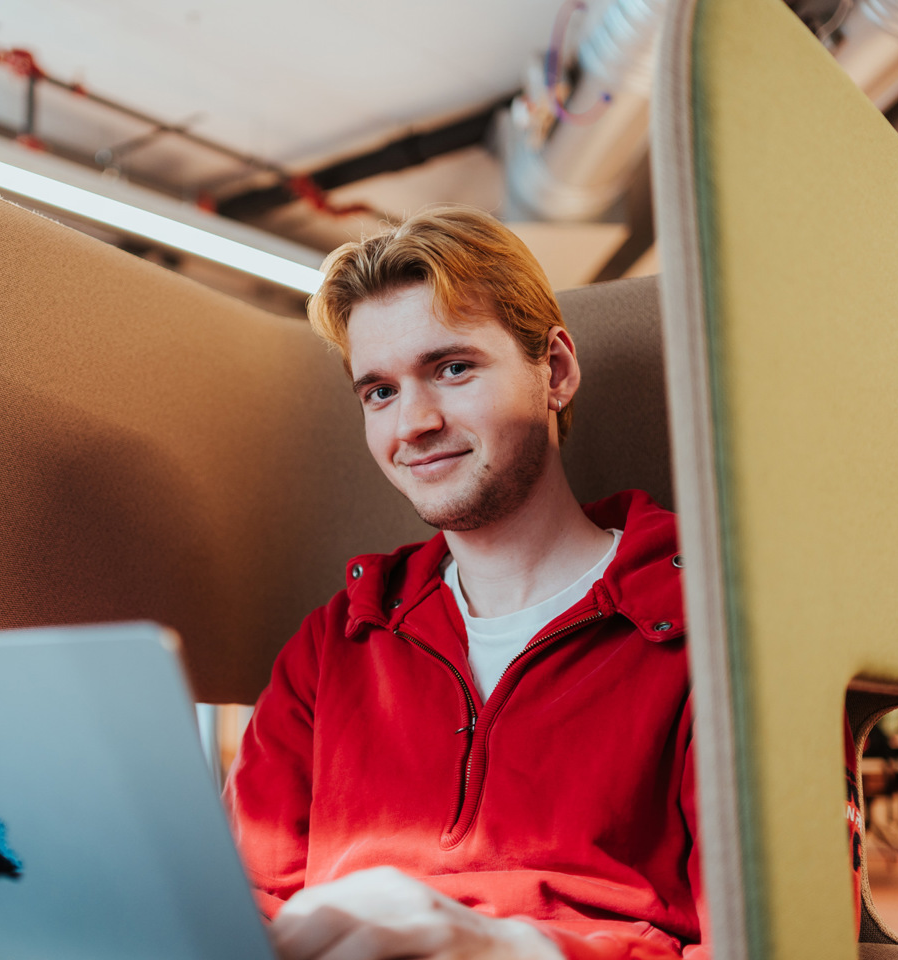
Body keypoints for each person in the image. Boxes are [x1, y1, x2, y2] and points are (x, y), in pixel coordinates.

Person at [222, 205, 863, 960]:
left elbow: (780, 946)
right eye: (380, 392)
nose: (413, 423)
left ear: (554, 370)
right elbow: (239, 909)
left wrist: (506, 951)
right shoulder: (335, 644)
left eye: (451, 368)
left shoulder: (724, 627)